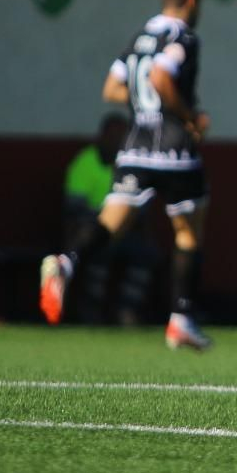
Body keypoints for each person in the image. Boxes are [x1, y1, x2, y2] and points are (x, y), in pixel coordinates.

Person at [40, 0, 214, 350]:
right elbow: (161, 79)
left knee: (109, 224)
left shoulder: (140, 36)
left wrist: (142, 105)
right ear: (192, 0)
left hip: (135, 146)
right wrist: (188, 117)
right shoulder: (181, 36)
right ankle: (181, 319)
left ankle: (66, 262)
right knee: (188, 231)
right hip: (173, 148)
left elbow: (112, 88)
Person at [62, 113, 155, 325]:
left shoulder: (131, 166)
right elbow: (72, 212)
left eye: (121, 137)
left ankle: (127, 310)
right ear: (101, 136)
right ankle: (90, 310)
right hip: (91, 228)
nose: (117, 142)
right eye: (113, 136)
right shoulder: (85, 163)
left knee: (146, 253)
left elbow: (140, 211)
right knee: (96, 247)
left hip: (126, 231)